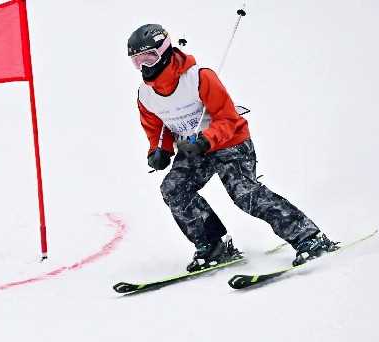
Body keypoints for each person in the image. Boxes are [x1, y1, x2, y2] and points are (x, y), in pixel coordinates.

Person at [127, 24, 337, 271]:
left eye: (149, 57)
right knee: (174, 189)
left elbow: (229, 118)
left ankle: (309, 237)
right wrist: (158, 151)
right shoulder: (145, 95)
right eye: (137, 61)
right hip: (192, 147)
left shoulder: (200, 77)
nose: (144, 66)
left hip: (229, 141)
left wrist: (206, 140)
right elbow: (156, 127)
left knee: (244, 193)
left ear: (164, 51)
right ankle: (214, 245)